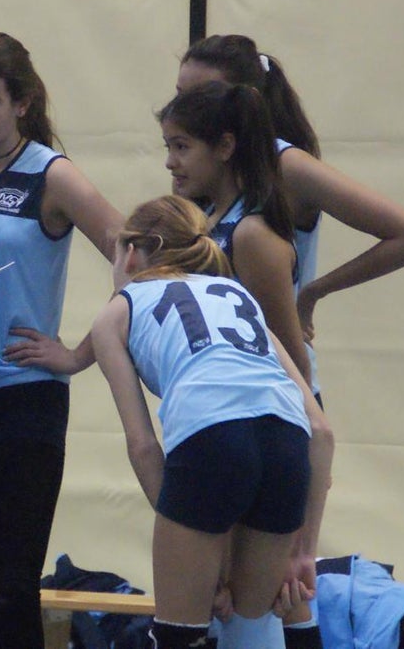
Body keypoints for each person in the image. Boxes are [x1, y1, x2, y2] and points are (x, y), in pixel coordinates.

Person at [0, 32, 124, 649]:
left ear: (22, 103)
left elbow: (138, 259)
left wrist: (79, 353)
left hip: (24, 402)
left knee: (10, 586)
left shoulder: (53, 176)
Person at [88, 194, 333, 649]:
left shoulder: (117, 311)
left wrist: (202, 560)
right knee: (254, 619)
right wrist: (302, 553)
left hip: (212, 439)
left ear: (133, 252)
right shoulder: (240, 296)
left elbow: (143, 446)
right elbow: (321, 431)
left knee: (181, 633)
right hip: (286, 444)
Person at [176, 34, 404, 369]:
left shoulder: (284, 164)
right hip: (217, 379)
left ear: (244, 100)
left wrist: (314, 291)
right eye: (181, 96)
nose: (183, 110)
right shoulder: (198, 170)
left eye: (201, 97)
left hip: (281, 384)